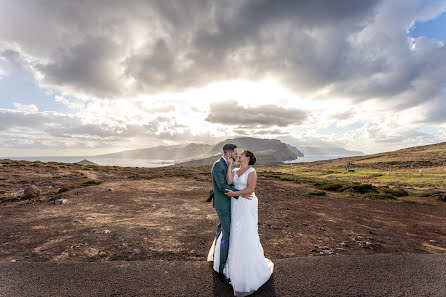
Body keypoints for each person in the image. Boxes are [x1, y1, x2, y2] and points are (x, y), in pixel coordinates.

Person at [208, 149, 274, 296]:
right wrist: (230, 165)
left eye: (242, 154)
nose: (239, 156)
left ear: (248, 158)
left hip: (246, 204)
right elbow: (230, 181)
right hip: (236, 204)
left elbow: (251, 189)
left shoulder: (252, 171)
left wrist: (234, 194)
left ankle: (248, 266)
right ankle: (233, 265)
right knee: (235, 232)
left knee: (246, 231)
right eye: (239, 154)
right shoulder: (236, 169)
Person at [207, 144, 253, 283]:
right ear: (229, 154)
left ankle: (216, 256)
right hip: (223, 205)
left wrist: (238, 193)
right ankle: (222, 269)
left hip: (229, 204)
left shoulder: (227, 164)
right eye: (235, 153)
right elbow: (221, 186)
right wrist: (239, 195)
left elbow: (230, 182)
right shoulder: (218, 165)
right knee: (227, 234)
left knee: (221, 229)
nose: (237, 155)